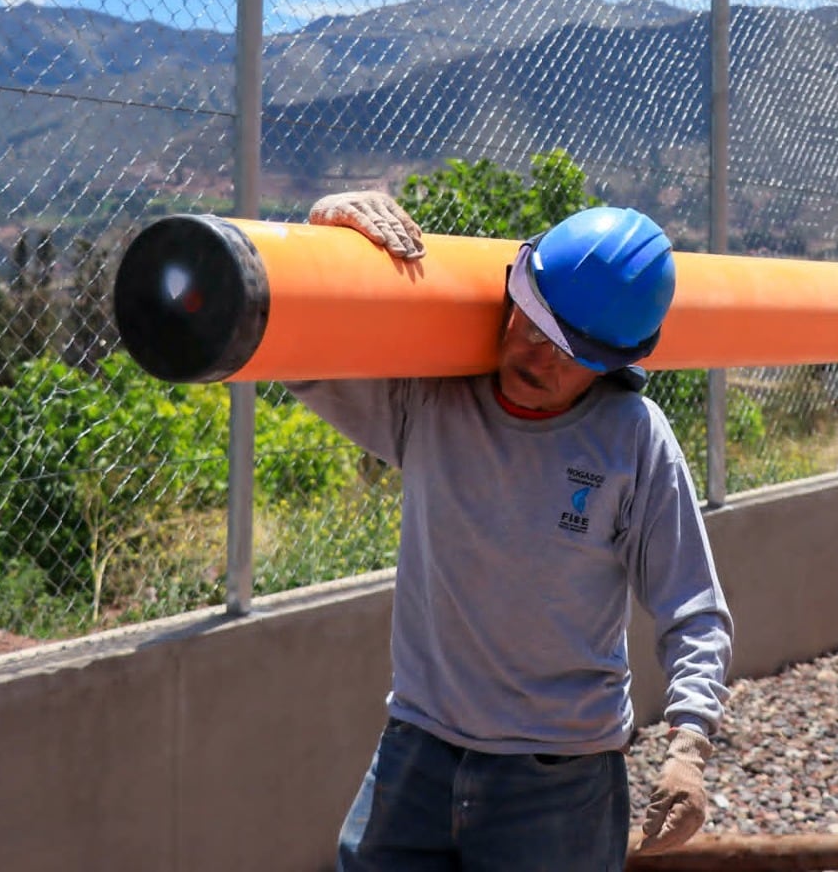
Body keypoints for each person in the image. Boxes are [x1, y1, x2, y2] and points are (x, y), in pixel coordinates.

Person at [286, 190, 734, 871]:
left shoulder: (632, 441)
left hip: (559, 780)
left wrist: (689, 747)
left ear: (615, 359)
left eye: (566, 350)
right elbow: (296, 349)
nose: (533, 355)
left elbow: (694, 611)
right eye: (529, 322)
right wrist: (323, 234)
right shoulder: (433, 401)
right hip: (419, 749)